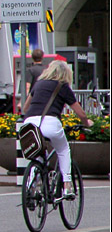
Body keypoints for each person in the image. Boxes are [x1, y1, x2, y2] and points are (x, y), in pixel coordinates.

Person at [21, 60, 93, 200]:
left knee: (37, 153)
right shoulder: (63, 86)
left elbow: (25, 108)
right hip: (50, 123)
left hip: (30, 123)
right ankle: (67, 186)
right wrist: (87, 123)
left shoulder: (38, 84)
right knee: (63, 150)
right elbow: (80, 113)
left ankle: (31, 187)